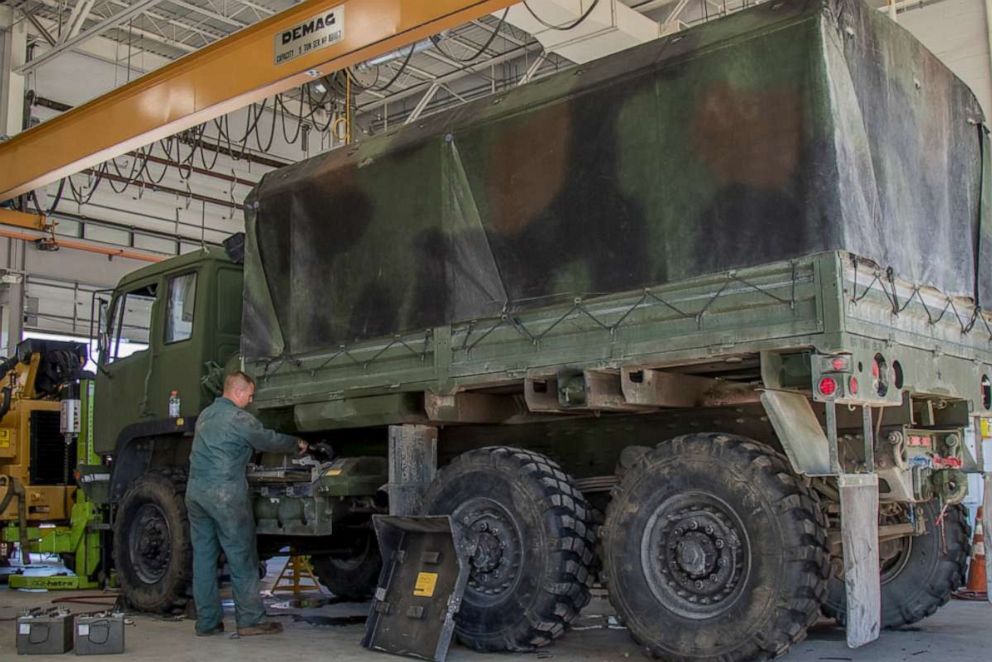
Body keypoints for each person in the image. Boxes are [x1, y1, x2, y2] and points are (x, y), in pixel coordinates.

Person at [185, 370, 308, 637]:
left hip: (195, 493)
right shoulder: (238, 418)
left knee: (204, 558)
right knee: (241, 556)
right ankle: (251, 620)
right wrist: (295, 443)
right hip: (225, 494)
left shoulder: (206, 415)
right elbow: (267, 439)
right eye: (250, 395)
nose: (251, 401)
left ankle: (206, 622)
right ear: (238, 392)